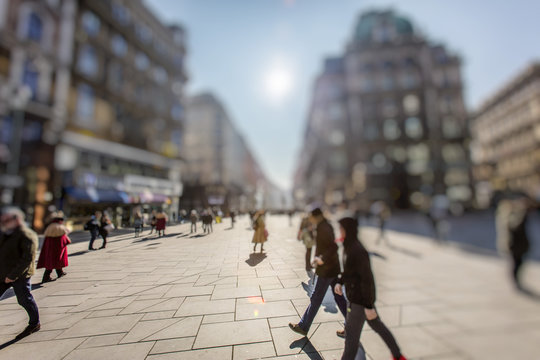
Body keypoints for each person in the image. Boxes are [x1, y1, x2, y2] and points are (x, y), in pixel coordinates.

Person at [335, 217, 406, 360]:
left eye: (341, 228)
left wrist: (368, 306)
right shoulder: (348, 246)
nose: (339, 231)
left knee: (351, 338)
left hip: (360, 302)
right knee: (376, 326)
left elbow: (367, 280)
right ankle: (398, 355)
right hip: (357, 298)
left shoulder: (357, 250)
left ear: (348, 230)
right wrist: (340, 281)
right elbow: (350, 271)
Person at [289, 208, 347, 336]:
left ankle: (303, 326)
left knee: (316, 298)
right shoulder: (322, 226)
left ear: (316, 217)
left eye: (311, 216)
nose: (309, 219)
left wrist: (321, 258)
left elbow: (333, 246)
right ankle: (351, 325)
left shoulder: (323, 227)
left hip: (327, 269)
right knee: (338, 297)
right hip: (331, 267)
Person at [0, 207, 41, 339]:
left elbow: (27, 259)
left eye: (6, 220)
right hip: (3, 272)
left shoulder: (26, 235)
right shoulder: (7, 233)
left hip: (20, 275)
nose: (4, 223)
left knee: (24, 300)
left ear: (16, 219)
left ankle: (34, 323)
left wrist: (12, 276)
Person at [496, 197, 531, 289]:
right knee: (516, 262)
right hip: (514, 244)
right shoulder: (509, 216)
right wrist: (523, 214)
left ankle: (515, 279)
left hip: (517, 243)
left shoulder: (511, 215)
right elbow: (516, 226)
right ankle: (515, 279)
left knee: (518, 262)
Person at [36, 211, 71, 283]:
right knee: (57, 260)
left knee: (51, 262)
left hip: (50, 249)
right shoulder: (60, 227)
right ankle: (47, 277)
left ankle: (59, 273)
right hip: (58, 248)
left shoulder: (50, 227)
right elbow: (65, 239)